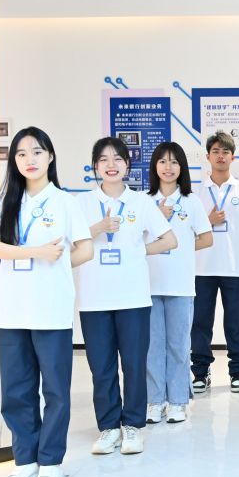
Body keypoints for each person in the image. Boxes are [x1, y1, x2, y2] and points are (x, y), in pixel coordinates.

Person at [0, 127, 93, 477]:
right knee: (17, 389)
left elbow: (86, 249)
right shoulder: (4, 201)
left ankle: (50, 461)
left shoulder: (65, 202)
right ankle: (25, 461)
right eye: (21, 154)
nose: (29, 159)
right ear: (13, 161)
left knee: (56, 390)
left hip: (51, 308)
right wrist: (38, 253)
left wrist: (56, 265)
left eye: (36, 152)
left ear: (50, 156)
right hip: (12, 309)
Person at [76, 137, 177, 455]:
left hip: (133, 298)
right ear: (95, 166)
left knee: (133, 365)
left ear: (127, 165)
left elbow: (170, 240)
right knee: (101, 367)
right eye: (104, 159)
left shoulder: (141, 202)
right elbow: (67, 244)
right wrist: (98, 228)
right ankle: (108, 428)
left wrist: (139, 250)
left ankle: (133, 426)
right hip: (94, 299)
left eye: (118, 159)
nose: (111, 165)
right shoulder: (81, 203)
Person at [145, 142, 213, 424]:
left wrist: (182, 248)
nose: (168, 167)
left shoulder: (191, 201)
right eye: (162, 161)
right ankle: (155, 400)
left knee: (178, 345)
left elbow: (206, 238)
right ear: (155, 166)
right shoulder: (143, 201)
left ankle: (177, 401)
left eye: (174, 162)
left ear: (182, 167)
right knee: (152, 346)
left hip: (180, 285)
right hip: (148, 286)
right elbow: (133, 240)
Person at [191, 131, 239, 393]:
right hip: (202, 267)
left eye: (225, 152)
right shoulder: (195, 192)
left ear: (233, 157)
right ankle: (200, 371)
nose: (220, 156)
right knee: (199, 322)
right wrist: (207, 221)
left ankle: (237, 371)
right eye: (216, 152)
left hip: (236, 266)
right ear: (208, 156)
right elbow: (187, 230)